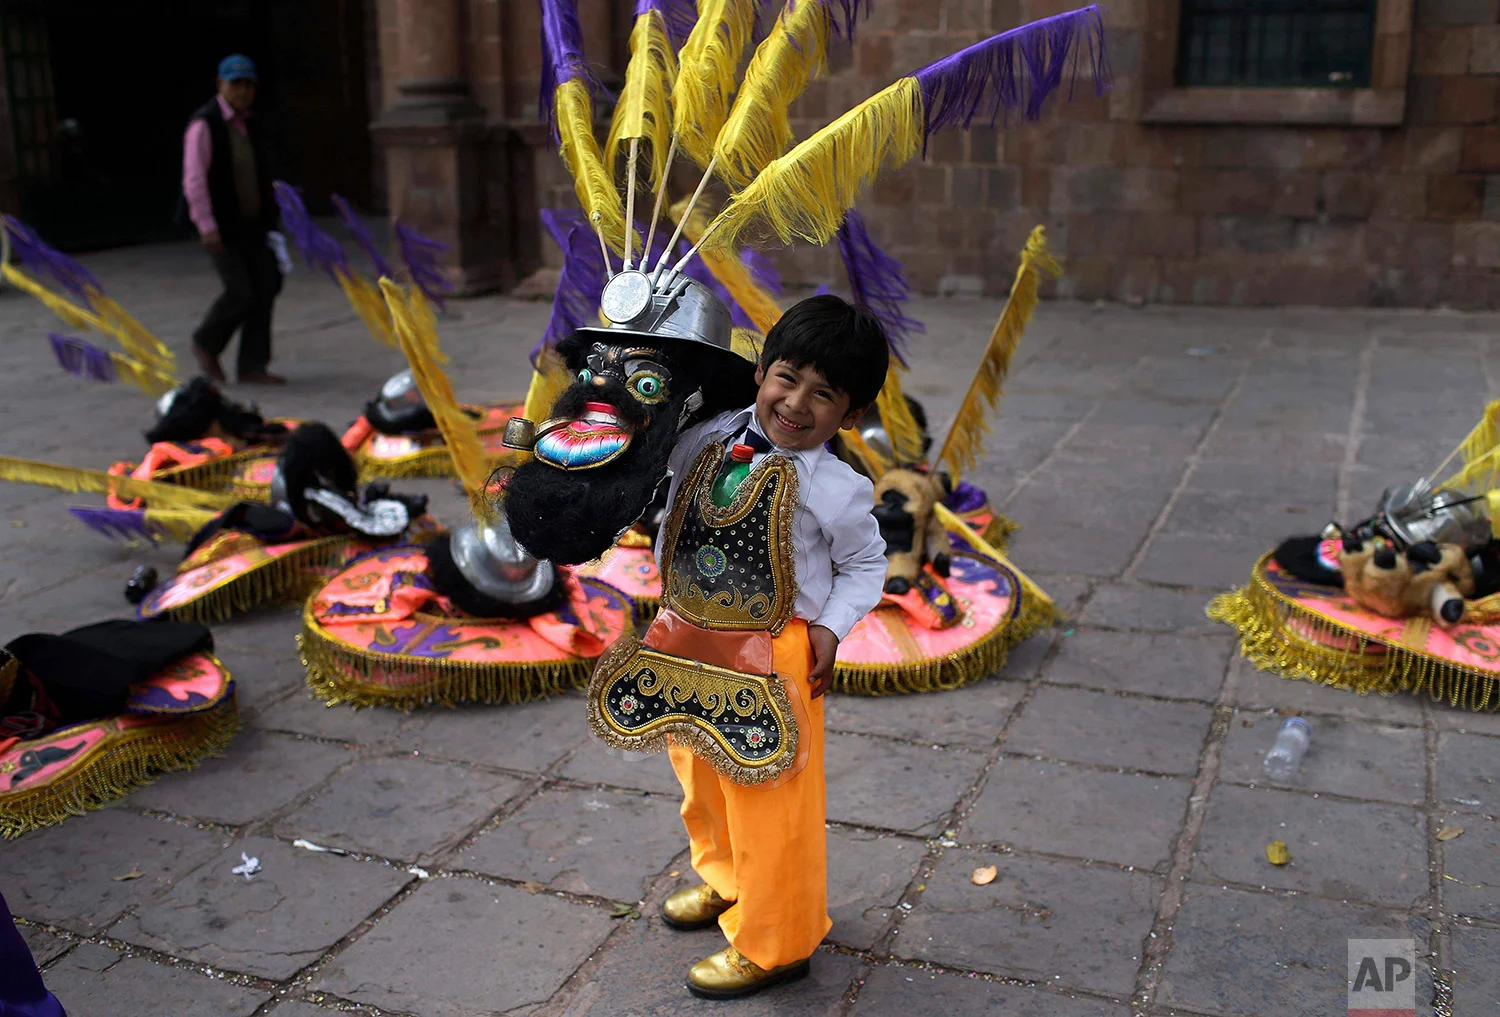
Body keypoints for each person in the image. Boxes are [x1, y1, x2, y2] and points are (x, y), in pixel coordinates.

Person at [647, 294, 889, 998]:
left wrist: (830, 626)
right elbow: (664, 494)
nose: (796, 402)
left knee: (769, 797)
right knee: (700, 771)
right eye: (788, 376)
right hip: (689, 631)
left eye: (824, 394)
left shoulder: (839, 490)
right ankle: (727, 881)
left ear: (851, 414)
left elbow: (866, 565)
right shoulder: (706, 434)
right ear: (761, 370)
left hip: (774, 651)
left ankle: (777, 938)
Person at [181, 54, 284, 385]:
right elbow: (194, 180)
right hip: (221, 225)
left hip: (253, 223)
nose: (242, 91)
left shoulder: (251, 123)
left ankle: (253, 365)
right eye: (235, 84)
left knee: (266, 285)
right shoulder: (205, 125)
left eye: (247, 85)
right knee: (240, 291)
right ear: (219, 85)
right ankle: (206, 342)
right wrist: (207, 227)